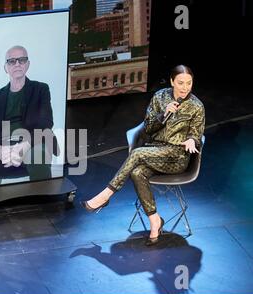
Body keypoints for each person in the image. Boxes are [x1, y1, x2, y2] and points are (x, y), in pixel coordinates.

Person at [81, 65, 205, 246]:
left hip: (177, 157)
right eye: (180, 83)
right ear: (172, 82)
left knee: (137, 154)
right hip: (155, 150)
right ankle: (155, 221)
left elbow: (196, 132)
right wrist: (165, 113)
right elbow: (147, 128)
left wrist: (193, 140)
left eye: (189, 83)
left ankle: (105, 196)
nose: (185, 87)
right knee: (137, 172)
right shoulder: (160, 97)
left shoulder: (196, 106)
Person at [0, 45, 59, 189]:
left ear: (27, 64)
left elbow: (45, 123)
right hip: (1, 145)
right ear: (6, 67)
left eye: (21, 60)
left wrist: (24, 145)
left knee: (38, 160)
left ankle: (43, 206)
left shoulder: (40, 89)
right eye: (12, 61)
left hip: (33, 142)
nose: (17, 64)